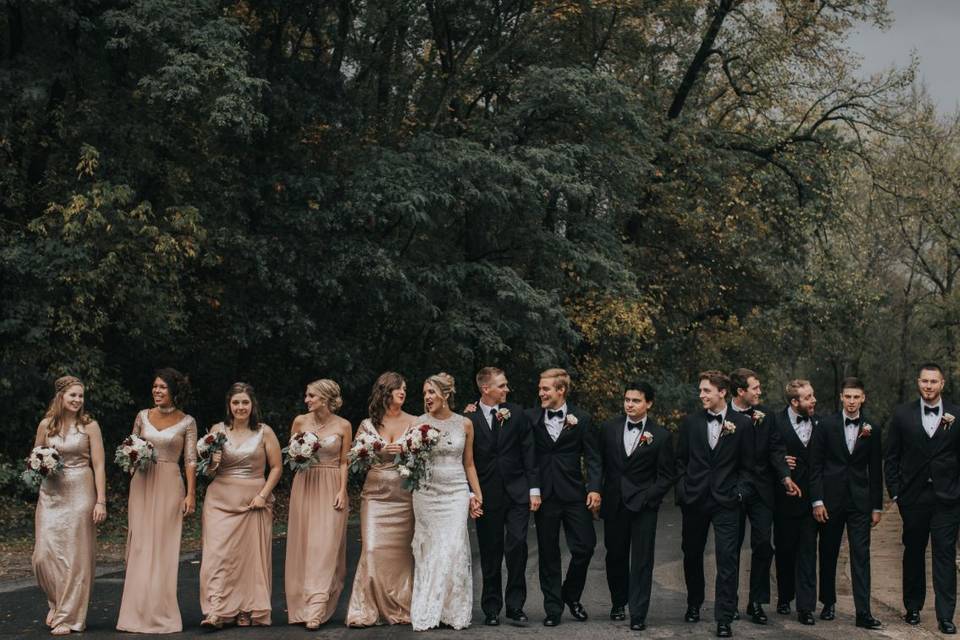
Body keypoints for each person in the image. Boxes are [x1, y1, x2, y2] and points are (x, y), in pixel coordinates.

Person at [116, 368, 197, 633]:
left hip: (170, 483)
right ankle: (135, 613)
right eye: (155, 387)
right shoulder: (142, 416)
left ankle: (161, 612)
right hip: (142, 482)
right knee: (140, 545)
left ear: (173, 390)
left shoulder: (187, 421)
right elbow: (131, 446)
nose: (157, 391)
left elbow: (190, 460)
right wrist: (130, 460)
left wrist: (191, 494)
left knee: (163, 547)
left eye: (162, 387)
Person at [199, 383, 282, 628]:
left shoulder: (265, 432)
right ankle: (216, 610)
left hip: (253, 502)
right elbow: (209, 473)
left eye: (245, 402)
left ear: (252, 405)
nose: (240, 407)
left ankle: (246, 608)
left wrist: (263, 495)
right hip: (220, 501)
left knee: (248, 559)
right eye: (236, 402)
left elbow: (276, 467)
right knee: (217, 557)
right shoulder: (217, 430)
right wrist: (212, 463)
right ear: (229, 405)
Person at [676, 370, 751, 638]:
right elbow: (680, 461)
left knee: (727, 559)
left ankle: (724, 617)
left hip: (727, 501)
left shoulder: (741, 425)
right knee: (692, 553)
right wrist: (683, 491)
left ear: (722, 392)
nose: (701, 395)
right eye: (700, 390)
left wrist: (740, 493)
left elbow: (748, 466)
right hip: (695, 499)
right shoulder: (690, 423)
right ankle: (694, 603)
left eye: (706, 390)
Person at [885, 362, 960, 634]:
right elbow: (891, 457)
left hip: (948, 499)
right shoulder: (902, 415)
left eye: (934, 381)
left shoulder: (956, 414)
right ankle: (913, 608)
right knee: (913, 553)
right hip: (913, 498)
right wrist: (896, 492)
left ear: (942, 384)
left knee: (944, 556)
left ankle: (945, 616)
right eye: (924, 381)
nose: (929, 386)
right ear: (919, 383)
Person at [525, 368, 601, 626]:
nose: (541, 393)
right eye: (540, 388)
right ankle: (553, 609)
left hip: (573, 493)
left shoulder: (582, 418)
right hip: (544, 495)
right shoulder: (530, 418)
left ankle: (570, 593)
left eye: (545, 389)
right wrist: (473, 409)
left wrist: (594, 488)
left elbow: (593, 457)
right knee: (548, 553)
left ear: (561, 390)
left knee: (585, 546)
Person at [32, 375, 107, 635]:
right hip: (50, 494)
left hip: (80, 491)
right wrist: (41, 466)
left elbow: (98, 464)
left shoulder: (90, 426)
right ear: (61, 397)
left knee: (75, 558)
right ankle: (56, 602)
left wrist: (101, 500)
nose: (77, 400)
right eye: (72, 395)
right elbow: (35, 458)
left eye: (81, 396)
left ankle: (68, 616)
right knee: (43, 556)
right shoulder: (46, 425)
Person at [599, 380, 675, 632]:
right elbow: (599, 463)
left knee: (642, 560)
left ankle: (639, 612)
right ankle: (618, 602)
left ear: (649, 403)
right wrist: (597, 492)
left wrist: (647, 497)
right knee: (615, 555)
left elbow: (666, 475)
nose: (629, 405)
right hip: (614, 503)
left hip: (644, 506)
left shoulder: (661, 436)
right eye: (627, 400)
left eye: (636, 401)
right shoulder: (609, 428)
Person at [410, 373, 483, 631]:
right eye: (425, 394)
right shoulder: (418, 423)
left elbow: (469, 463)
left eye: (431, 392)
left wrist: (476, 493)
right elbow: (411, 461)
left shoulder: (465, 424)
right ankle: (430, 607)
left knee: (453, 548)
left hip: (455, 493)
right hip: (426, 493)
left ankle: (453, 610)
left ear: (446, 394)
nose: (427, 398)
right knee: (430, 550)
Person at [466, 367, 539, 626]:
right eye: (502, 385)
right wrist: (470, 494)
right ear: (485, 389)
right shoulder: (467, 418)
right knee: (490, 550)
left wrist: (534, 489)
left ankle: (516, 606)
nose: (507, 389)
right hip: (486, 493)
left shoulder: (517, 413)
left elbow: (529, 451)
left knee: (517, 545)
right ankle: (491, 607)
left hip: (518, 491)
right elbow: (464, 460)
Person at [809, 377, 883, 630]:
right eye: (848, 397)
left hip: (860, 502)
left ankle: (863, 612)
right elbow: (815, 466)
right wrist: (817, 500)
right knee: (828, 551)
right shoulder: (826, 425)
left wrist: (876, 506)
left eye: (856, 397)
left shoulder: (873, 427)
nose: (852, 402)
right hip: (830, 500)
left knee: (861, 556)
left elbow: (876, 470)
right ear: (841, 397)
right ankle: (828, 603)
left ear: (863, 398)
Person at [345, 372, 417, 627]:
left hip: (404, 497)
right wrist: (375, 451)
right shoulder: (367, 424)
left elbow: (424, 458)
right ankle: (367, 608)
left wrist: (407, 451)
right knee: (372, 549)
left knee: (401, 554)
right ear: (386, 391)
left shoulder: (416, 422)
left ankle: (400, 607)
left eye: (405, 389)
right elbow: (355, 459)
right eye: (399, 388)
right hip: (375, 495)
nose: (403, 392)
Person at [727, 368, 798, 625]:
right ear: (740, 392)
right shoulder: (724, 416)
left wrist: (785, 476)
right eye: (755, 388)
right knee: (731, 548)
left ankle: (756, 602)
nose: (760, 391)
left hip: (763, 491)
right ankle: (729, 602)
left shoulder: (766, 416)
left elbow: (776, 448)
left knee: (762, 545)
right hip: (733, 490)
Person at [285, 379, 351, 629]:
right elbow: (291, 453)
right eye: (307, 395)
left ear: (324, 398)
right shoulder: (300, 422)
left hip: (331, 482)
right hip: (305, 483)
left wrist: (343, 490)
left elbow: (344, 461)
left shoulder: (343, 425)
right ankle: (301, 606)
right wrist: (299, 455)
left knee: (325, 546)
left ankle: (317, 607)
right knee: (304, 544)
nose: (306, 400)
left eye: (311, 396)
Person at [769, 379, 820, 625]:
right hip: (784, 499)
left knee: (809, 552)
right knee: (785, 550)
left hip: (812, 498)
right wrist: (780, 464)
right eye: (808, 397)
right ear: (794, 402)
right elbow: (766, 452)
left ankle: (806, 607)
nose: (814, 401)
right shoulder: (775, 422)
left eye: (812, 396)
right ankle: (785, 594)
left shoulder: (820, 423)